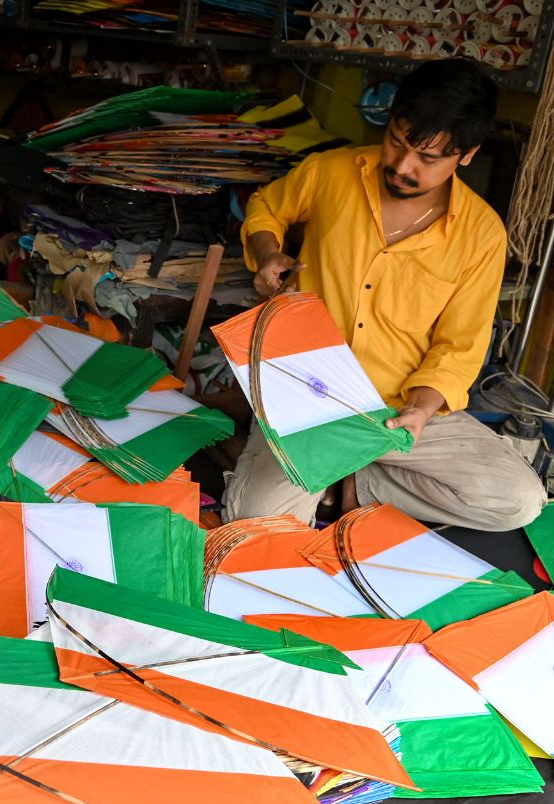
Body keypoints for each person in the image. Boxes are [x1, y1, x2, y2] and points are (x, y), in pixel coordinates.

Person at [224, 58, 545, 531]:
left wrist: (418, 410)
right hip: (307, 395)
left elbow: (459, 349)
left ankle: (359, 480)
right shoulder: (333, 172)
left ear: (468, 154)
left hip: (399, 408)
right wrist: (268, 252)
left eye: (428, 158)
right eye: (397, 140)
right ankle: (332, 473)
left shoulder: (481, 235)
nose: (401, 165)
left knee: (517, 501)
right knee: (256, 525)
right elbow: (266, 206)